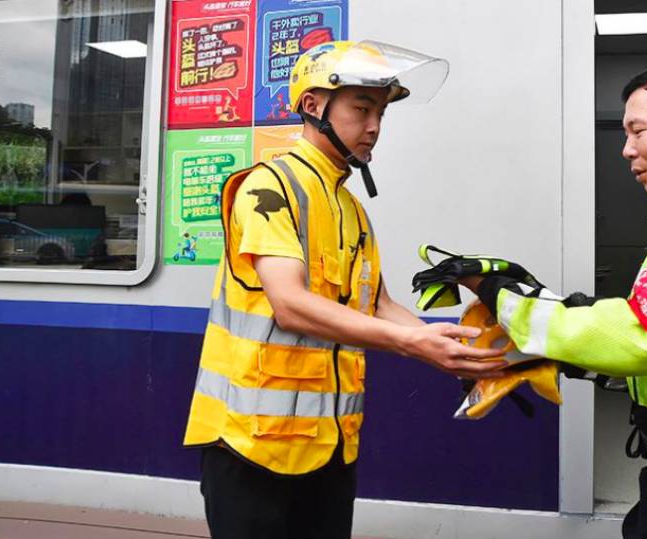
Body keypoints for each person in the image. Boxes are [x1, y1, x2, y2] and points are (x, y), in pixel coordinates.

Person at [183, 40, 504, 539]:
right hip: (252, 447)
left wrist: (447, 345)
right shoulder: (269, 188)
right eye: (361, 108)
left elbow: (376, 303)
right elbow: (290, 305)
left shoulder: (350, 208)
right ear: (313, 106)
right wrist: (410, 342)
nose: (375, 125)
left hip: (329, 447)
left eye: (380, 112)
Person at [448, 61, 647, 537]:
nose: (627, 150)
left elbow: (641, 336)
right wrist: (563, 355)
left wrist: (505, 300)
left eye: (638, 131)